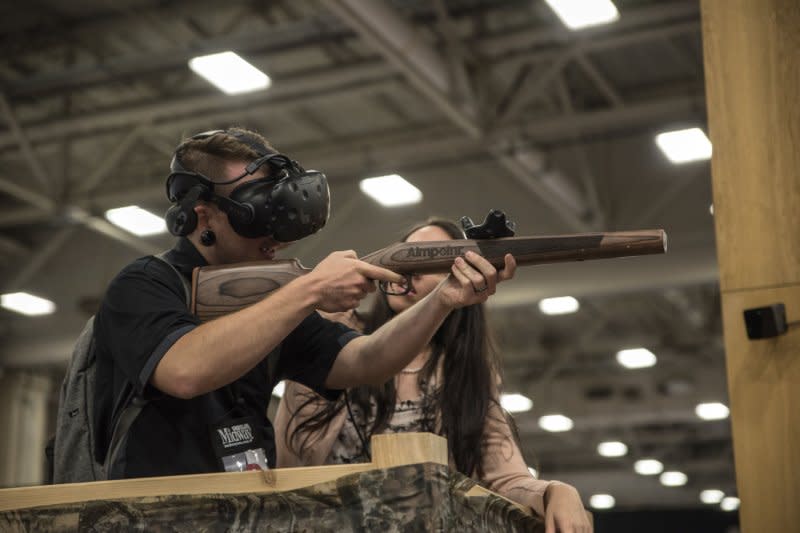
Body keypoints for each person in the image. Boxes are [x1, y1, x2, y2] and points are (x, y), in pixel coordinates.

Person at [91, 127, 516, 480]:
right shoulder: (145, 285)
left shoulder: (273, 301)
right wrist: (310, 290)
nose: (276, 233)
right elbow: (184, 370)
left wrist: (441, 300)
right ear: (201, 217)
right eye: (256, 213)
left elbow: (366, 360)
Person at [275, 219, 592, 533]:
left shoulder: (464, 373)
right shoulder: (333, 341)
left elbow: (505, 478)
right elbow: (283, 465)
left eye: (432, 261)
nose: (412, 270)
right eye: (409, 254)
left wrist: (555, 491)